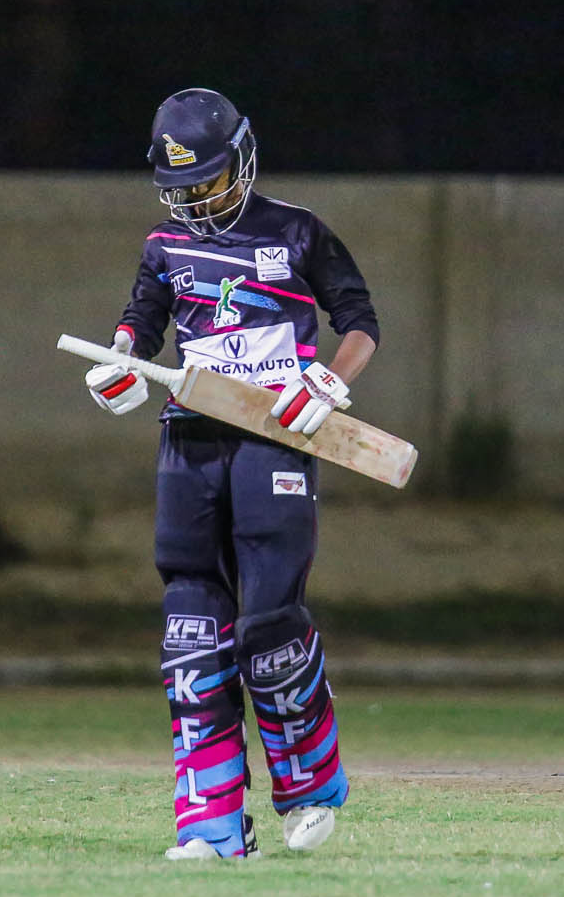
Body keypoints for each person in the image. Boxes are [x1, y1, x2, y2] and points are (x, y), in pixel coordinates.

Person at [83, 88, 378, 857]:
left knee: (269, 624)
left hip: (274, 437)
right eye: (182, 189)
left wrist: (329, 381)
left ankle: (308, 786)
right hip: (190, 439)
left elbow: (360, 321)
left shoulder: (297, 231)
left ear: (242, 161)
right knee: (190, 630)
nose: (198, 202)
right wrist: (120, 362)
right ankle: (211, 824)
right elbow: (141, 322)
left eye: (209, 182)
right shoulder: (164, 245)